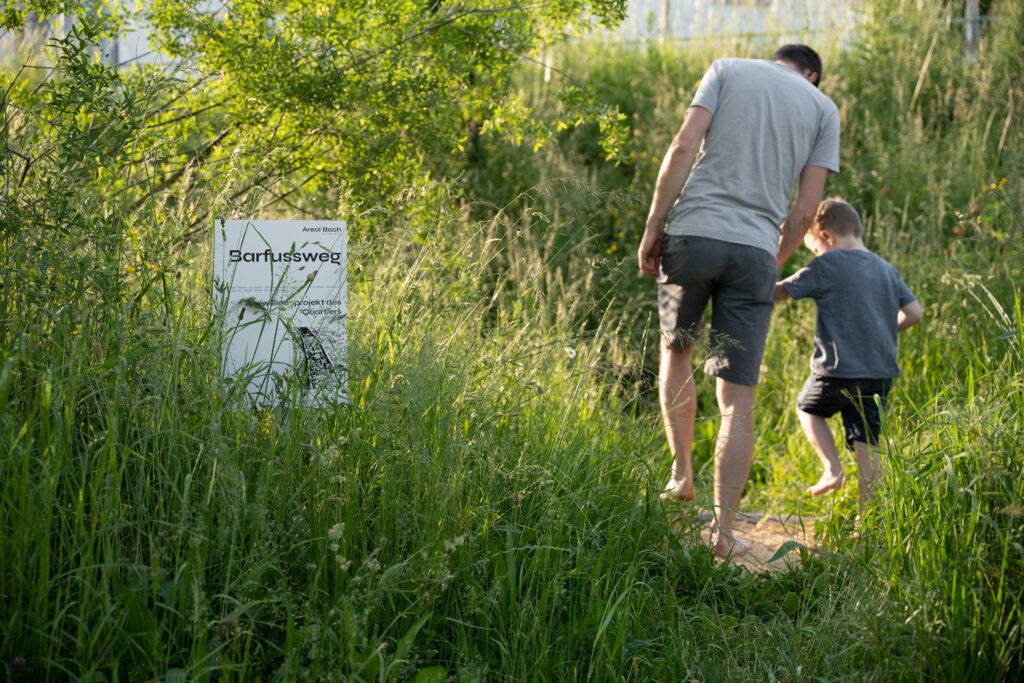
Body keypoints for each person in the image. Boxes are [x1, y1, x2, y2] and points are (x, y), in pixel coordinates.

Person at [637, 45, 840, 557]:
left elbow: (683, 147)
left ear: (777, 61)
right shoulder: (822, 108)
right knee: (737, 399)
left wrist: (653, 225)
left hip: (692, 235)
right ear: (811, 75)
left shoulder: (726, 69)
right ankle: (724, 533)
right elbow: (806, 209)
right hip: (754, 251)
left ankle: (681, 476)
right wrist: (770, 261)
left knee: (677, 351)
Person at [775, 198, 923, 509]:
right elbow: (914, 313)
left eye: (814, 248)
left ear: (826, 237)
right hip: (879, 373)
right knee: (867, 443)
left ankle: (832, 468)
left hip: (839, 369)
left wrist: (741, 285)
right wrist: (881, 331)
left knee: (807, 409)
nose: (816, 255)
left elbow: (779, 293)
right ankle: (868, 520)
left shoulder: (827, 264)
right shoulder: (886, 269)